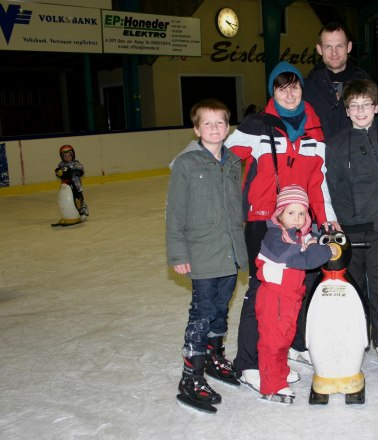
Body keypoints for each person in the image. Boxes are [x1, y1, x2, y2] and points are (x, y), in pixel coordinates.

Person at [225, 60, 339, 392]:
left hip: (302, 223)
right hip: (263, 222)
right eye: (281, 87)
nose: (289, 93)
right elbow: (223, 156)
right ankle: (248, 362)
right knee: (262, 291)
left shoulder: (315, 129)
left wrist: (325, 218)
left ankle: (284, 348)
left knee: (297, 287)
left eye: (295, 86)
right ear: (273, 92)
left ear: (302, 89)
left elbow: (318, 182)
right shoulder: (257, 125)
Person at [166, 98, 247, 412]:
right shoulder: (186, 164)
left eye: (220, 123)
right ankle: (191, 375)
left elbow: (234, 208)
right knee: (201, 314)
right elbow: (175, 212)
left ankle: (214, 356)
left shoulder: (233, 162)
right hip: (200, 252)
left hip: (228, 252)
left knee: (220, 307)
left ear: (228, 127)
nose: (214, 128)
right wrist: (177, 252)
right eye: (207, 123)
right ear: (197, 128)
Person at [324, 79, 378, 383]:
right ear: (347, 111)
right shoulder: (334, 144)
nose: (360, 110)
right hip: (348, 229)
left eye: (366, 104)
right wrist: (331, 217)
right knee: (353, 289)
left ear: (375, 106)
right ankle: (353, 340)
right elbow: (324, 184)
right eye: (354, 106)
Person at [255, 185, 335, 403]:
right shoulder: (274, 237)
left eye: (302, 213)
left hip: (289, 299)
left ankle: (279, 373)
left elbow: (303, 247)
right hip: (275, 300)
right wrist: (327, 249)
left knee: (284, 339)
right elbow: (304, 260)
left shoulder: (293, 235)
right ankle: (272, 384)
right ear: (279, 214)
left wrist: (313, 241)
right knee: (273, 342)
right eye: (291, 213)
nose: (297, 218)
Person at [303, 22, 378, 141]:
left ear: (349, 47)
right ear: (319, 49)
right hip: (321, 157)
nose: (334, 53)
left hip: (358, 156)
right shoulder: (307, 86)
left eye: (339, 46)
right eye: (328, 46)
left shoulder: (366, 83)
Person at [55, 144, 89, 220]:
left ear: (73, 155)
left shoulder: (75, 163)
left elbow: (81, 169)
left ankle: (83, 211)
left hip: (76, 185)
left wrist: (76, 171)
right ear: (62, 157)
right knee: (68, 199)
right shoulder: (61, 165)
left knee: (78, 199)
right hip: (66, 185)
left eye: (69, 156)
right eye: (65, 156)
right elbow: (59, 172)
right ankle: (69, 212)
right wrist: (58, 172)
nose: (67, 158)